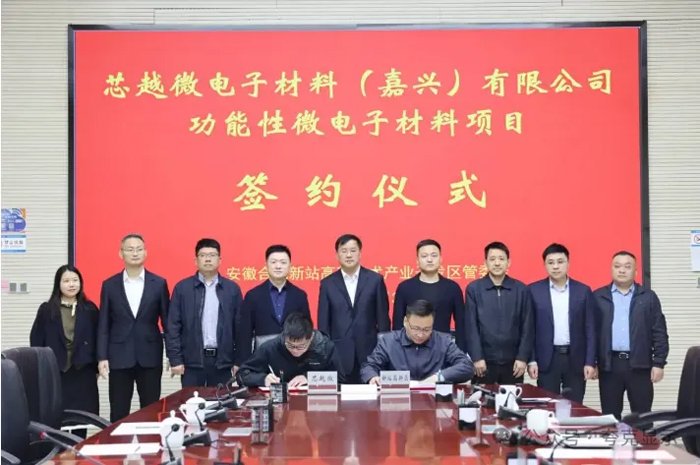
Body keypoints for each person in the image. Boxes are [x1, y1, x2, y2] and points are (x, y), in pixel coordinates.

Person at [97, 233, 170, 422]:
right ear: (121, 253)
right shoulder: (110, 285)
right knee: (119, 411)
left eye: (139, 249)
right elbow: (104, 323)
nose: (135, 253)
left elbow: (167, 322)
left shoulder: (159, 284)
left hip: (150, 355)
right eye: (130, 249)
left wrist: (172, 355)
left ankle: (152, 441)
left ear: (145, 253)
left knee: (151, 410)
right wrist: (102, 356)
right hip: (119, 355)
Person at [593, 251, 669, 420]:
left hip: (640, 365)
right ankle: (614, 438)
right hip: (610, 365)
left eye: (627, 267)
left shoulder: (648, 297)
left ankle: (643, 439)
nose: (622, 270)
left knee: (643, 417)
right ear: (611, 269)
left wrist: (659, 363)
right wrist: (593, 362)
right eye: (617, 266)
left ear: (635, 271)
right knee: (610, 417)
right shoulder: (598, 297)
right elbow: (592, 333)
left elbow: (659, 332)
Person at [166, 238, 244, 387]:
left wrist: (239, 360)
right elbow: (173, 326)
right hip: (192, 362)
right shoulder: (182, 288)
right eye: (203, 255)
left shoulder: (232, 289)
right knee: (191, 400)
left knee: (222, 400)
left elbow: (240, 328)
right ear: (196, 260)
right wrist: (175, 359)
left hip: (222, 362)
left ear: (220, 260)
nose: (208, 259)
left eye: (212, 255)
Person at [527, 243, 596, 403]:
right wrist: (532, 360)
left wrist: (590, 361)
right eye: (551, 262)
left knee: (574, 406)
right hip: (547, 359)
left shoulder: (583, 291)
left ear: (568, 263)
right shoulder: (534, 290)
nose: (556, 266)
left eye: (560, 261)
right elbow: (529, 329)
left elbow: (590, 329)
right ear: (545, 265)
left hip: (575, 359)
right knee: (548, 406)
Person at [318, 234, 390, 383]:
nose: (349, 255)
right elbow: (323, 324)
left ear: (360, 253)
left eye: (353, 250)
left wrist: (383, 352)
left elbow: (383, 320)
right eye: (344, 251)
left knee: (371, 396)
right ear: (337, 255)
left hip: (370, 353)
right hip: (339, 354)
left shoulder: (375, 280)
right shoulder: (327, 284)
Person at [30, 265, 100, 418]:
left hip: (83, 371)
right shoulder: (47, 310)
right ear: (58, 284)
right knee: (57, 416)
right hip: (56, 370)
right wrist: (40, 369)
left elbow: (98, 339)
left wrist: (97, 367)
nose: (71, 284)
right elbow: (36, 340)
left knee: (82, 417)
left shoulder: (90, 309)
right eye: (66, 281)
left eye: (75, 280)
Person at [465, 241, 534, 384]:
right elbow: (471, 326)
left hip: (514, 364)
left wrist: (522, 358)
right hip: (483, 363)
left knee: (512, 398)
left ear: (509, 262)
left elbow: (527, 326)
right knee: (481, 398)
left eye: (501, 259)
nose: (497, 263)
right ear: (485, 262)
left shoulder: (521, 290)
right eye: (492, 259)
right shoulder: (474, 289)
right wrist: (477, 357)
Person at [361, 300, 474, 384]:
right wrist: (372, 377)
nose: (420, 334)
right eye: (415, 328)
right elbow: (369, 366)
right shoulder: (388, 341)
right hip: (397, 400)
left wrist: (438, 377)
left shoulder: (443, 341)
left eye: (426, 329)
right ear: (405, 322)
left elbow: (467, 366)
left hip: (434, 400)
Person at [236, 244, 311, 362]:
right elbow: (245, 333)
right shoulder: (253, 296)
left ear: (290, 266)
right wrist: (241, 363)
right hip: (262, 358)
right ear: (266, 265)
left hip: (294, 360)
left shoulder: (300, 295)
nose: (278, 266)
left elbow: (306, 331)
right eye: (273, 262)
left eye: (283, 262)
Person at [392, 239, 467, 352]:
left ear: (440, 259)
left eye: (434, 255)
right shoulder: (405, 287)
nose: (429, 259)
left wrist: (460, 353)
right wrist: (398, 352)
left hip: (442, 350)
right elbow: (397, 325)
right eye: (424, 256)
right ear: (417, 260)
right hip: (410, 350)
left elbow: (461, 325)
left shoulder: (452, 288)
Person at [237, 313, 342, 387]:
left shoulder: (325, 347)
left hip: (316, 403)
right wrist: (263, 379)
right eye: (290, 345)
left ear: (311, 338)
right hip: (279, 402)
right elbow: (241, 375)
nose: (295, 351)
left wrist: (310, 378)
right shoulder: (271, 348)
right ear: (284, 336)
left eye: (301, 347)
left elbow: (340, 379)